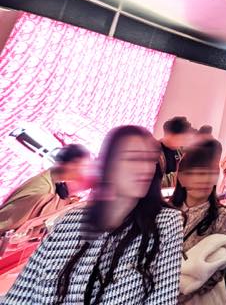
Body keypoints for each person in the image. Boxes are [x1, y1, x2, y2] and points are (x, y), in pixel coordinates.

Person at [4, 125, 183, 304]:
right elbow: (20, 295)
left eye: (150, 160)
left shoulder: (166, 223)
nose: (144, 169)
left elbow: (162, 298)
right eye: (132, 159)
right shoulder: (68, 221)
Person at [169, 139, 226, 303]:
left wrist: (182, 295)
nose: (204, 180)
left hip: (199, 297)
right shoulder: (167, 210)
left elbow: (220, 266)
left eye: (209, 174)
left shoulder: (222, 216)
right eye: (196, 173)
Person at [0, 144, 91, 234]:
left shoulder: (54, 181)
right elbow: (6, 224)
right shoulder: (43, 192)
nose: (84, 172)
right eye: (83, 167)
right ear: (70, 165)